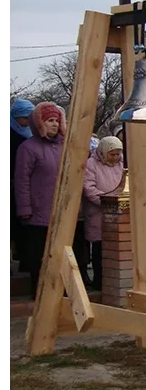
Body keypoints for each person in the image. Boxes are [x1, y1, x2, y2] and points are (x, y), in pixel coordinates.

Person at [14, 102, 66, 295]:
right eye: (50, 120)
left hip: (61, 210)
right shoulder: (28, 148)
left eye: (56, 120)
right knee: (39, 255)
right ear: (39, 123)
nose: (54, 124)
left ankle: (60, 293)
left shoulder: (63, 146)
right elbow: (21, 180)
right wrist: (25, 208)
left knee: (60, 254)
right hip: (37, 212)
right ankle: (40, 293)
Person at [82, 136, 125, 291]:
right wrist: (107, 201)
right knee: (100, 249)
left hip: (119, 213)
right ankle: (99, 281)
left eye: (117, 154)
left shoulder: (122, 164)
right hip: (98, 212)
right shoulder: (91, 164)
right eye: (112, 154)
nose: (115, 157)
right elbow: (89, 188)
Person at [10, 99, 35, 271]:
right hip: (11, 184)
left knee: (24, 230)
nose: (27, 122)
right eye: (24, 118)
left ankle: (25, 262)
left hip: (28, 187)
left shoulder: (32, 137)